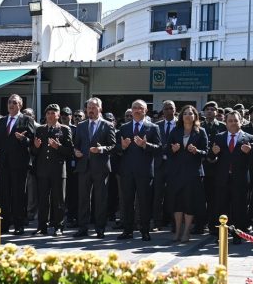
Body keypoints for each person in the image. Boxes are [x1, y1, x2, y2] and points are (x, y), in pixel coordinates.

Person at [116, 99, 160, 241]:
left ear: (145, 110)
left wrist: (145, 145)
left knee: (144, 202)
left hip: (144, 172)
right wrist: (122, 147)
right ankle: (127, 230)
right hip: (127, 172)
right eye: (134, 107)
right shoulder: (124, 128)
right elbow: (117, 149)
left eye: (140, 108)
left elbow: (159, 148)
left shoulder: (153, 127)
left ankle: (145, 231)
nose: (137, 110)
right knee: (127, 202)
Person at [209, 111, 253, 243]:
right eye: (230, 121)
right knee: (221, 206)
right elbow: (210, 157)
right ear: (226, 122)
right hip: (222, 178)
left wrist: (249, 152)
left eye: (236, 120)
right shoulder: (219, 137)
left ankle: (237, 235)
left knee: (239, 207)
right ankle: (222, 234)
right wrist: (213, 153)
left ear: (241, 122)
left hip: (240, 178)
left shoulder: (249, 137)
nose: (233, 123)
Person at [73, 97, 116, 238]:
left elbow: (113, 146)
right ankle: (82, 228)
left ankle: (100, 228)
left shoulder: (108, 125)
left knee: (100, 199)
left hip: (101, 168)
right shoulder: (81, 125)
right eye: (89, 107)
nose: (91, 110)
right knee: (83, 199)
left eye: (94, 107)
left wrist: (102, 149)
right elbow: (76, 145)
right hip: (84, 167)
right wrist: (76, 151)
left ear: (100, 108)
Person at [0, 94, 36, 235]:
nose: (11, 105)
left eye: (14, 102)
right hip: (4, 164)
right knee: (4, 194)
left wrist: (24, 139)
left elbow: (32, 142)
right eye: (9, 102)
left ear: (20, 105)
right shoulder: (2, 121)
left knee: (18, 195)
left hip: (19, 164)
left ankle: (19, 225)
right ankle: (4, 225)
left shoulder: (26, 120)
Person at [166, 106, 209, 242]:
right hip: (177, 172)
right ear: (181, 116)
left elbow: (206, 152)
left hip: (193, 173)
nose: (188, 115)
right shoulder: (175, 131)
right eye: (185, 113)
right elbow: (166, 150)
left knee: (189, 202)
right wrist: (173, 149)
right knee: (177, 202)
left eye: (190, 113)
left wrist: (197, 151)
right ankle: (178, 231)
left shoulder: (200, 131)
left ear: (195, 116)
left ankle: (186, 232)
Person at [32, 104, 73, 236]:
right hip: (43, 170)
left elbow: (70, 151)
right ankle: (41, 226)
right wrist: (36, 147)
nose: (50, 115)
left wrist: (58, 147)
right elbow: (33, 152)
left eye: (53, 113)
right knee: (43, 200)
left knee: (58, 200)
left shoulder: (65, 129)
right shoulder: (40, 130)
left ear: (58, 115)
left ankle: (58, 226)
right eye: (48, 113)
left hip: (58, 170)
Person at [152, 100, 178, 231]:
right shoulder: (157, 125)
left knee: (174, 195)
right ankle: (157, 223)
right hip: (159, 164)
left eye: (170, 108)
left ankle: (175, 224)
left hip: (175, 165)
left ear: (175, 110)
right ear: (162, 111)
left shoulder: (181, 124)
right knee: (158, 195)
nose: (168, 111)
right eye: (166, 109)